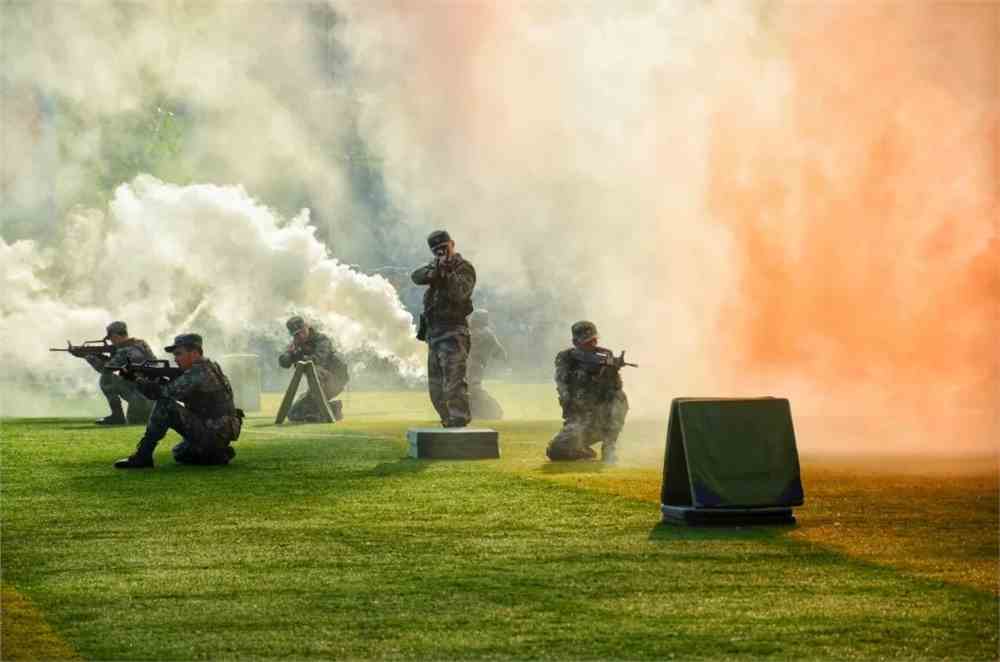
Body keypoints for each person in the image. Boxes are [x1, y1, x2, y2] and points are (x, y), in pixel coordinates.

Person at [114, 333, 243, 469]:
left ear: (194, 353)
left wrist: (136, 379)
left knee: (165, 405)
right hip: (218, 433)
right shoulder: (210, 366)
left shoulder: (198, 371)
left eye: (179, 354)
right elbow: (188, 395)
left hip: (213, 433)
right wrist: (155, 381)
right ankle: (217, 453)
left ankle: (143, 456)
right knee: (180, 453)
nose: (175, 359)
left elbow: (162, 394)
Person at [411, 230, 476, 427]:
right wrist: (436, 271)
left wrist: (447, 273)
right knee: (436, 387)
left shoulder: (464, 268)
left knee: (454, 381)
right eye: (436, 250)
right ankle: (448, 420)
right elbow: (416, 276)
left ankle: (459, 419)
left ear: (452, 244)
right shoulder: (435, 267)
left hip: (453, 331)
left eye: (444, 247)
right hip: (434, 333)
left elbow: (460, 294)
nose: (441, 252)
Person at [545, 321, 629, 464]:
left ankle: (609, 446)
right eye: (587, 342)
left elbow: (614, 388)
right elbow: (563, 386)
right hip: (580, 419)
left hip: (601, 418)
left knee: (619, 398)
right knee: (555, 450)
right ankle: (583, 451)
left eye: (594, 340)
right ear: (575, 342)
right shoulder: (566, 358)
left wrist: (611, 370)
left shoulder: (605, 355)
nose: (592, 344)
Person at [83, 321, 156, 425]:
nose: (111, 342)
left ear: (115, 336)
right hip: (152, 398)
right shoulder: (140, 344)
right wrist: (101, 357)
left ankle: (117, 416)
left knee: (107, 379)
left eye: (111, 338)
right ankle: (122, 415)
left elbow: (106, 369)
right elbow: (119, 365)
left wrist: (89, 357)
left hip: (143, 401)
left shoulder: (125, 350)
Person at [279, 316, 349, 422]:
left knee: (315, 370)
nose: (300, 336)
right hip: (316, 385)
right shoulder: (296, 345)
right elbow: (284, 363)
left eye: (302, 331)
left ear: (306, 327)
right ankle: (333, 408)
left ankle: (326, 412)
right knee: (293, 414)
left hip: (336, 379)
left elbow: (318, 359)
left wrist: (300, 356)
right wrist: (290, 353)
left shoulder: (321, 340)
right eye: (296, 334)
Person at [467, 309, 507, 420]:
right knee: (470, 389)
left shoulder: (480, 333)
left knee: (473, 389)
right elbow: (499, 352)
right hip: (474, 364)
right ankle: (477, 413)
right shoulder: (487, 333)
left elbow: (498, 351)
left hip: (473, 365)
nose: (471, 320)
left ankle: (494, 410)